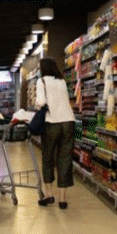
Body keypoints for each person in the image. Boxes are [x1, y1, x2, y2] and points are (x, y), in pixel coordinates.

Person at [35, 57, 75, 209]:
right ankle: (63, 199)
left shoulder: (42, 81)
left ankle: (49, 195)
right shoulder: (62, 81)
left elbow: (40, 102)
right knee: (65, 159)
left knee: (48, 158)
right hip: (68, 122)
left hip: (52, 122)